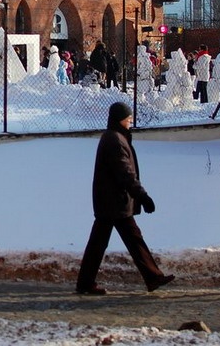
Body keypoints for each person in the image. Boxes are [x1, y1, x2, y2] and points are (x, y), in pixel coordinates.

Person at [75, 102, 175, 295]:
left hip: (111, 201)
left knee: (106, 242)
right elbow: (125, 173)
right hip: (115, 201)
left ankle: (86, 283)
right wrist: (142, 196)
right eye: (128, 118)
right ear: (119, 119)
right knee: (130, 240)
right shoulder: (115, 140)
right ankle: (152, 277)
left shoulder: (114, 137)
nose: (130, 121)